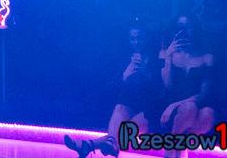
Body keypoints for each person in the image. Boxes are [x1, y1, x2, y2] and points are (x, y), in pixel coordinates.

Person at [64, 23, 163, 158]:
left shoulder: (157, 57)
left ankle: (89, 145)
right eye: (132, 39)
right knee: (120, 107)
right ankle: (92, 145)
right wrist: (124, 76)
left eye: (140, 38)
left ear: (147, 38)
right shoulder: (124, 58)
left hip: (151, 109)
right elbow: (110, 89)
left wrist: (145, 72)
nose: (136, 42)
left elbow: (162, 88)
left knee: (118, 135)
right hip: (129, 105)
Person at [159, 14, 216, 158]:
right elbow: (167, 85)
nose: (184, 31)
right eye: (180, 27)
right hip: (169, 110)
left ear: (194, 29)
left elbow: (204, 94)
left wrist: (176, 105)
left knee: (207, 113)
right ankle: (170, 152)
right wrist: (168, 56)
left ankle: (177, 148)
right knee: (188, 108)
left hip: (191, 106)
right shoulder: (167, 53)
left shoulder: (206, 57)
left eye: (188, 26)